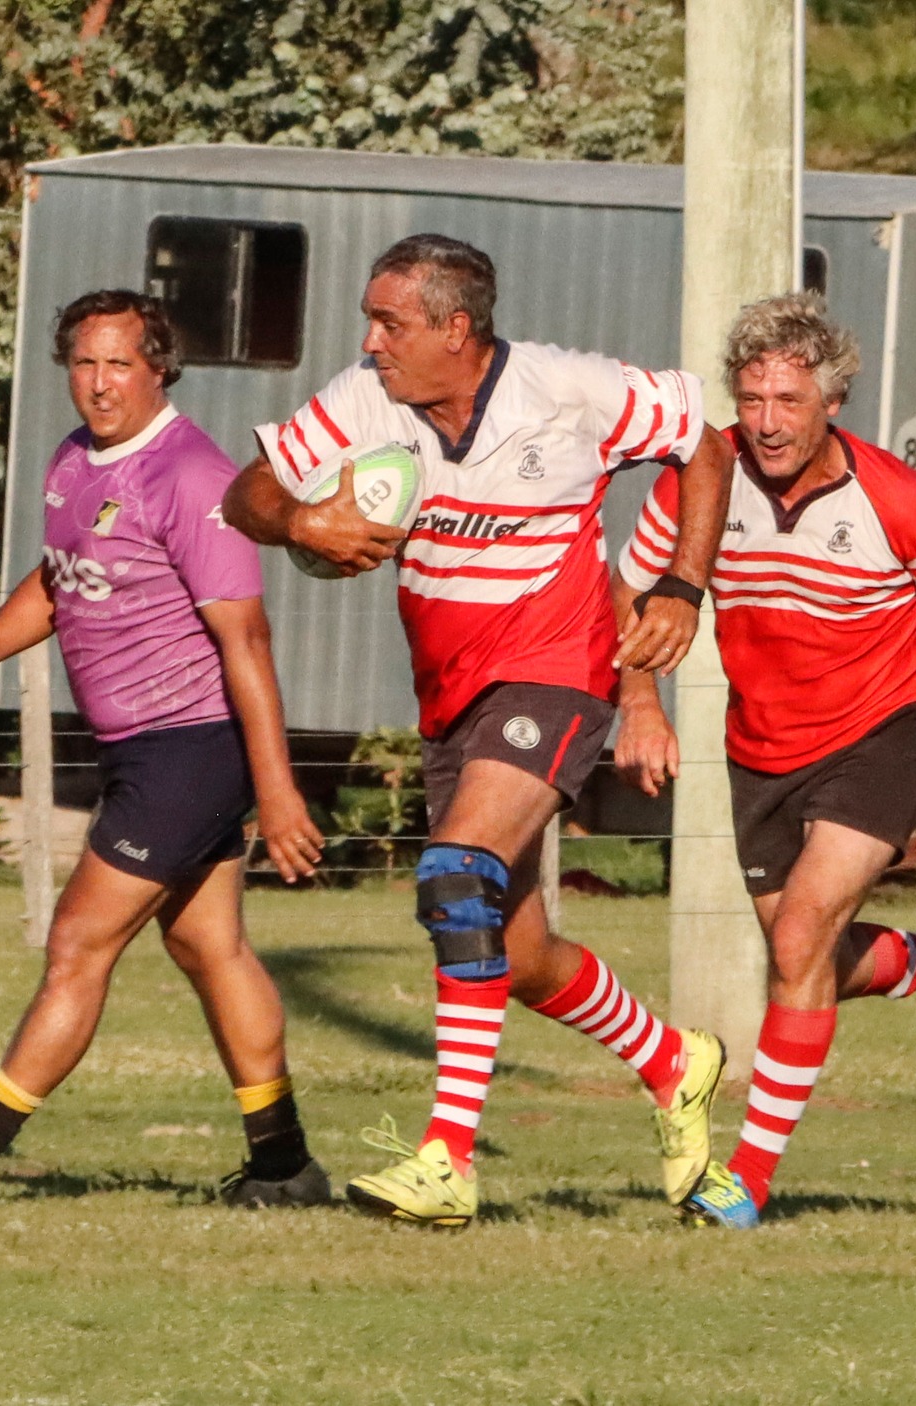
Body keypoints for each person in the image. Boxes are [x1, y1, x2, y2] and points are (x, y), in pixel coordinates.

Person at [223, 234, 738, 1227]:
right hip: (449, 696)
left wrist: (681, 583)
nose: (368, 340)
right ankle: (675, 1060)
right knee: (520, 949)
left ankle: (446, 1158)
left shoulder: (565, 389)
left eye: (389, 322)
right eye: (369, 321)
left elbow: (703, 442)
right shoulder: (364, 398)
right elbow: (243, 493)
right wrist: (299, 523)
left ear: (455, 328)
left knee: (454, 875)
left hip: (558, 672)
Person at [0, 289, 330, 1208]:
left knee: (77, 940)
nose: (99, 383)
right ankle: (284, 1166)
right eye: (83, 362)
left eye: (120, 363)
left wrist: (277, 794)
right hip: (140, 749)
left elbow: (248, 643)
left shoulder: (194, 477)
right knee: (211, 948)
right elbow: (58, 579)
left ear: (160, 368)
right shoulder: (75, 460)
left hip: (189, 749)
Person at [614, 291, 916, 1229]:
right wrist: (638, 702)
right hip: (760, 750)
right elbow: (631, 590)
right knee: (811, 955)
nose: (765, 422)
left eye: (787, 401)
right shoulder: (698, 481)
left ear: (833, 399)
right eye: (751, 399)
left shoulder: (895, 498)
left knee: (796, 944)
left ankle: (745, 1181)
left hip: (883, 734)